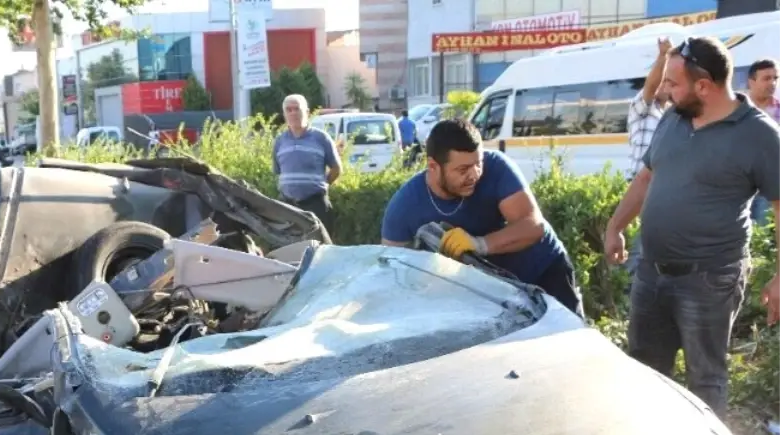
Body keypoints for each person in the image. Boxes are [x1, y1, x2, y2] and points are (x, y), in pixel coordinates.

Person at [604, 36, 780, 419]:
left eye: (673, 83)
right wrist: (616, 225)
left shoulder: (760, 135)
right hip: (651, 272)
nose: (664, 92)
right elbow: (646, 178)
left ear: (704, 86)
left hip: (710, 279)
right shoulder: (674, 118)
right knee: (645, 371)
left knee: (706, 379)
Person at [380, 118, 583, 316]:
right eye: (463, 169)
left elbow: (533, 226)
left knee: (570, 344)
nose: (474, 174)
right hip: (491, 294)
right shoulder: (404, 206)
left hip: (544, 271)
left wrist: (479, 244)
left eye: (478, 163)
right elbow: (392, 269)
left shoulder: (498, 167)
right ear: (433, 166)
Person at [623, 37, 673, 284]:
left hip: (661, 189)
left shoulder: (670, 115)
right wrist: (664, 55)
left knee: (650, 243)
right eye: (663, 79)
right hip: (641, 186)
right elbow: (651, 86)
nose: (666, 84)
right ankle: (628, 291)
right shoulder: (643, 107)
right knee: (640, 245)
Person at [272, 93, 341, 227]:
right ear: (284, 114)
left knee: (320, 246)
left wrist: (323, 184)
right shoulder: (280, 141)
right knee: (290, 247)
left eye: (297, 109)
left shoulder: (321, 138)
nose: (293, 113)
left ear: (307, 112)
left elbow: (336, 169)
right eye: (288, 110)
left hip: (315, 205)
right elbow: (278, 171)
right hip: (288, 206)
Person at [746, 59, 780, 223]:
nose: (773, 83)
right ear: (751, 81)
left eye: (776, 78)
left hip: (769, 185)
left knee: (762, 232)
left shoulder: (779, 111)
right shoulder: (737, 110)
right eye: (766, 78)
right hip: (740, 182)